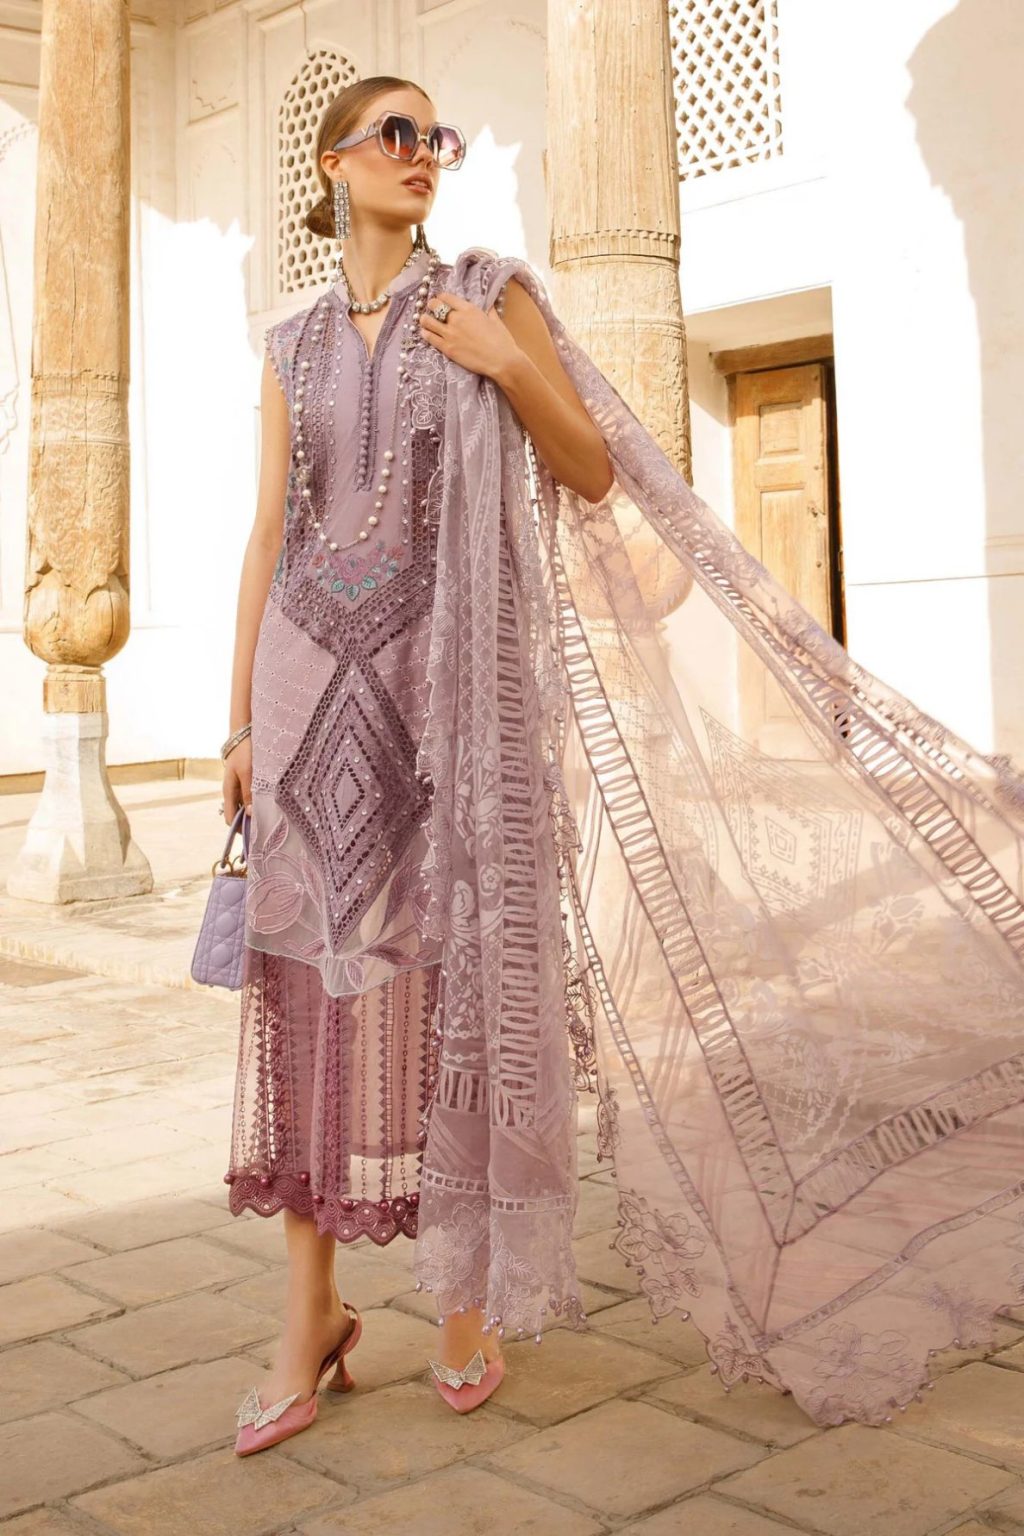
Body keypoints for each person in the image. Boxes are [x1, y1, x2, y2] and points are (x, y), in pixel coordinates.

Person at [221, 74, 1024, 1454]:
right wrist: (240, 722)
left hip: (449, 705)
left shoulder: (487, 292)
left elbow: (592, 469)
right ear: (335, 164)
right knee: (311, 1003)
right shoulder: (288, 344)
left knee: (453, 988)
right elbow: (267, 533)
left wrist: (504, 360)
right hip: (306, 704)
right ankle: (311, 1318)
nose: (424, 154)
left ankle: (464, 1301)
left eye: (436, 137)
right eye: (396, 135)